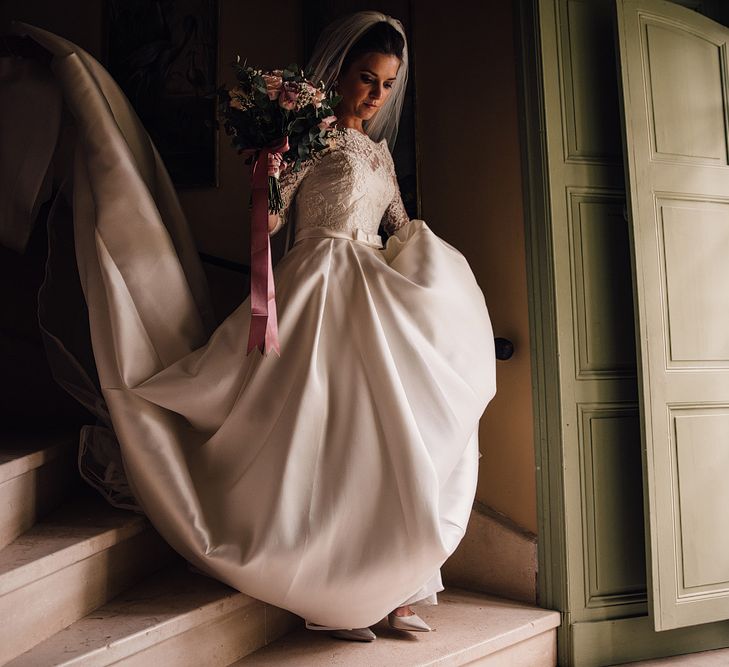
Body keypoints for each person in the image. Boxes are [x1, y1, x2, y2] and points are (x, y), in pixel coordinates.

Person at [3, 10, 496, 645]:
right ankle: (328, 591)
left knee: (388, 441)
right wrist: (264, 181)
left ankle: (395, 591)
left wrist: (435, 282)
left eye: (388, 85)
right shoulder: (309, 137)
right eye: (368, 79)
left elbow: (397, 223)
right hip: (314, 288)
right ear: (340, 75)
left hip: (370, 294)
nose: (377, 96)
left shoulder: (378, 153)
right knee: (321, 442)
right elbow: (269, 225)